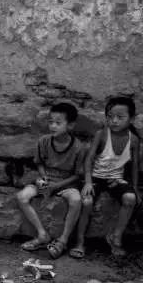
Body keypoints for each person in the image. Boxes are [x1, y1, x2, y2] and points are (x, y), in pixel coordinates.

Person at [17, 103, 86, 259]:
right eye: (51, 122)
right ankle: (42, 235)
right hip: (47, 180)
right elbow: (39, 163)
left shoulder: (78, 147)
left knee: (76, 200)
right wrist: (44, 178)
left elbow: (77, 175)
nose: (53, 126)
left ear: (70, 125)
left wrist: (57, 186)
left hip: (66, 183)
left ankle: (63, 240)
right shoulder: (43, 141)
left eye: (58, 123)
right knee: (22, 197)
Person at [76, 96, 140, 258]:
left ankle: (115, 237)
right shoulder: (102, 134)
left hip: (116, 179)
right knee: (87, 201)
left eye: (120, 117)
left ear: (131, 119)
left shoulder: (133, 140)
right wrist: (88, 182)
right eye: (110, 117)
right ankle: (80, 241)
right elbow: (89, 159)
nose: (114, 121)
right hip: (96, 177)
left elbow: (134, 166)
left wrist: (134, 187)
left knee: (130, 198)